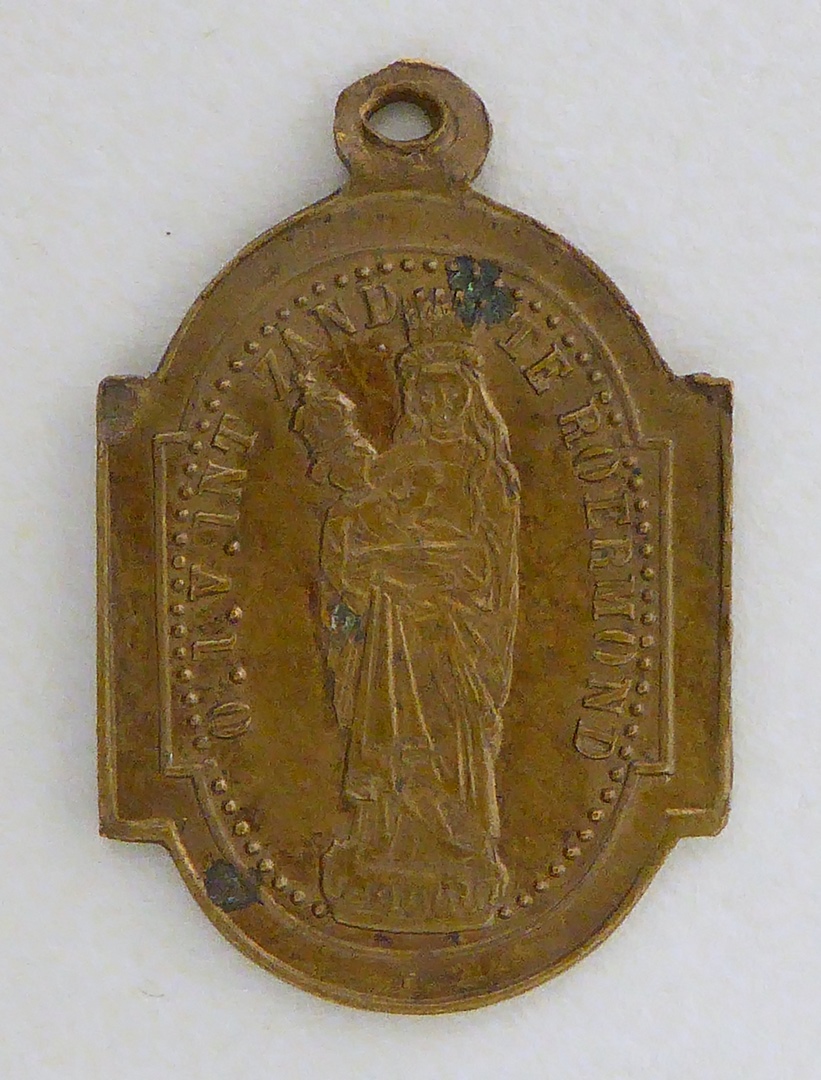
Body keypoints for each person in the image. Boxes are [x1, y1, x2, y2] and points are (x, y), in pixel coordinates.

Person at [293, 339, 520, 932]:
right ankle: (384, 844)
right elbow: (350, 550)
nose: (440, 405)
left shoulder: (484, 472)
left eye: (452, 392)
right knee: (390, 740)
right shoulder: (393, 466)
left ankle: (458, 851)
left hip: (452, 642)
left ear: (470, 396)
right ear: (414, 397)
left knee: (447, 741)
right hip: (390, 639)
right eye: (428, 392)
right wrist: (363, 554)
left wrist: (405, 561)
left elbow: (486, 569)